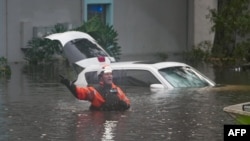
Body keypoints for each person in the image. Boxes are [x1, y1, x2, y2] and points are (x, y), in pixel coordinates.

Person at [60, 65, 130, 111]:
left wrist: (126, 105)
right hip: (98, 121)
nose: (110, 76)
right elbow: (79, 92)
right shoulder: (94, 91)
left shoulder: (117, 90)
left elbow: (127, 103)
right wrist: (69, 84)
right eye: (106, 74)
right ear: (100, 77)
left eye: (111, 74)